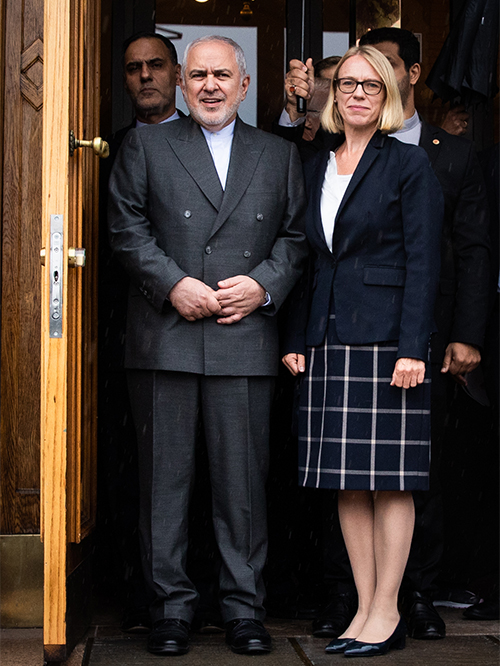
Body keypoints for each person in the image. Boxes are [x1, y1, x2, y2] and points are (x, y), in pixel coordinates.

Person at [278, 26, 490, 641]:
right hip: (330, 340)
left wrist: (411, 350)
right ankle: (366, 608)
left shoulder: (409, 163)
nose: (359, 94)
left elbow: (424, 264)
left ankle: (389, 610)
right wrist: (299, 336)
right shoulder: (320, 162)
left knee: (392, 482)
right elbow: (315, 259)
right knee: (347, 481)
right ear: (334, 94)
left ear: (391, 91)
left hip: (387, 345)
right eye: (348, 84)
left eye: (372, 84)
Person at [107, 35, 307, 656]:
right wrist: (173, 285)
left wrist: (263, 287)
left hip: (242, 335)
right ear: (183, 86)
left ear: (244, 86)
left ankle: (245, 610)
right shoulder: (145, 144)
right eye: (199, 76)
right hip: (165, 337)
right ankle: (171, 610)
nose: (211, 86)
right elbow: (124, 228)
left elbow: (297, 238)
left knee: (242, 485)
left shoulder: (277, 155)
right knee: (164, 485)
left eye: (223, 75)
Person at [97, 31, 182, 634]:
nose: (145, 76)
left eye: (156, 65)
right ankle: (138, 595)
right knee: (140, 472)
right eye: (134, 68)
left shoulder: (211, 137)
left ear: (176, 74)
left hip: (214, 326)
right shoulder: (106, 148)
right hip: (128, 331)